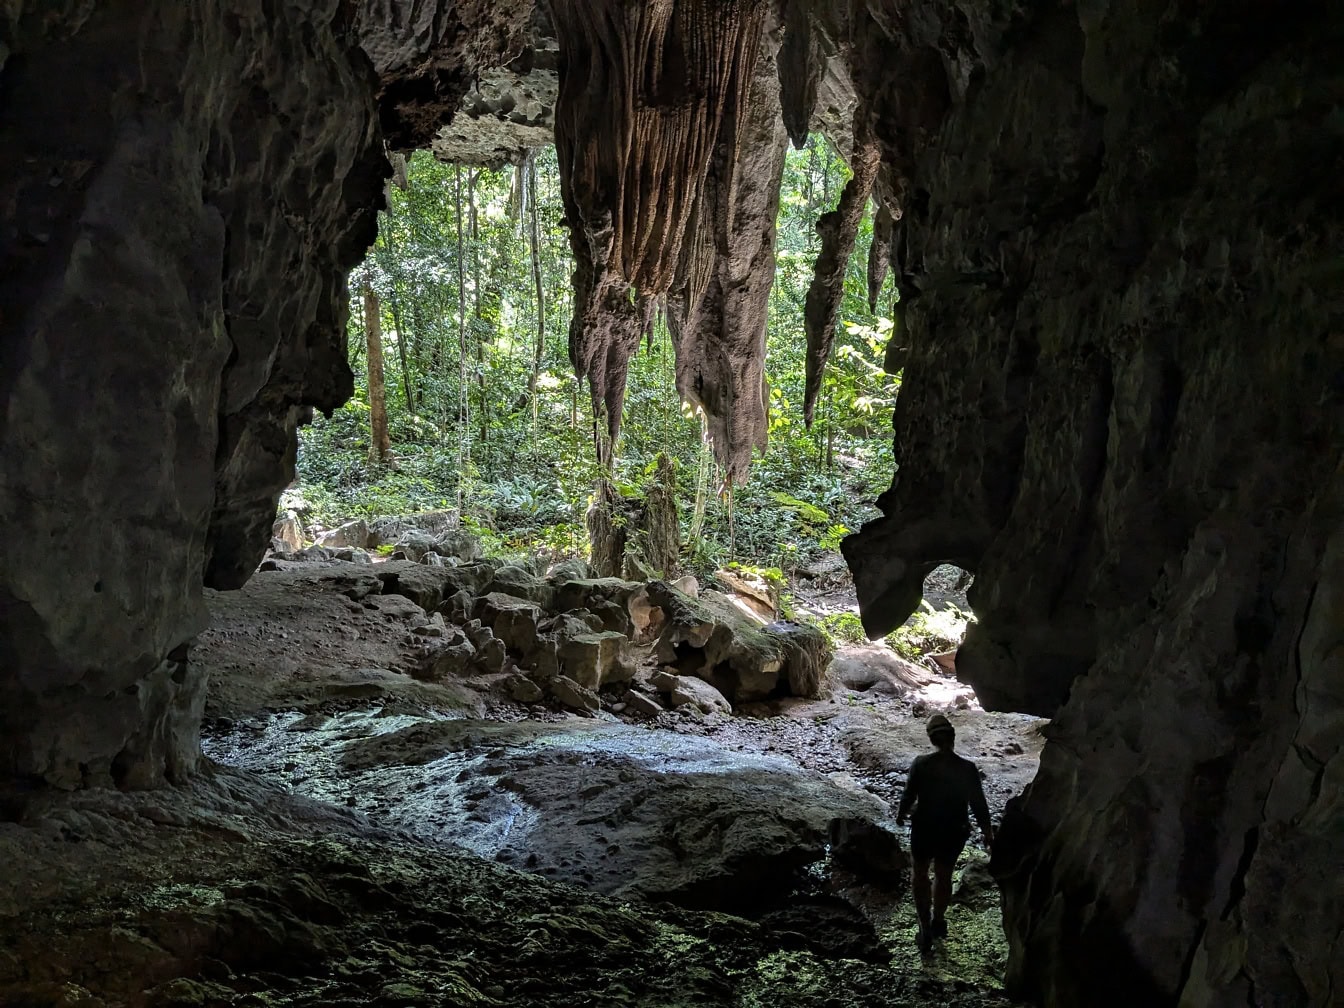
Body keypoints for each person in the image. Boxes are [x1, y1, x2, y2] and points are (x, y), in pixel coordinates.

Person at [896, 713, 994, 952]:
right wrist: (988, 832)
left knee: (919, 874)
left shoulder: (921, 764)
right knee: (943, 875)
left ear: (931, 740)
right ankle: (938, 919)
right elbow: (979, 804)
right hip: (953, 829)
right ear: (953, 737)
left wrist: (901, 814)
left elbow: (909, 794)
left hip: (925, 827)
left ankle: (924, 925)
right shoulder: (967, 769)